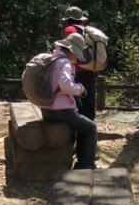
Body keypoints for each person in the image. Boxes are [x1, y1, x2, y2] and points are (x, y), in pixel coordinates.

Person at [40, 33, 98, 170]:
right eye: (77, 54)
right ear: (71, 50)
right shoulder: (64, 62)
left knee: (78, 127)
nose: (77, 57)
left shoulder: (53, 60)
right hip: (60, 109)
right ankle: (86, 166)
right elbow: (65, 85)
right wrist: (81, 90)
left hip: (47, 108)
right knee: (91, 128)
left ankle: (77, 162)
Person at [61, 6, 98, 120]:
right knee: (88, 103)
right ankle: (89, 131)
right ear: (81, 19)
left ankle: (80, 132)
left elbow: (70, 48)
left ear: (68, 20)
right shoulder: (87, 29)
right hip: (90, 68)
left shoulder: (70, 30)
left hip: (78, 69)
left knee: (74, 102)